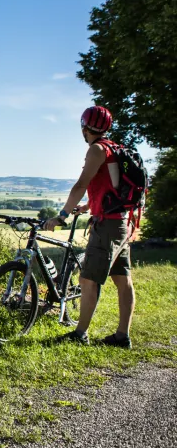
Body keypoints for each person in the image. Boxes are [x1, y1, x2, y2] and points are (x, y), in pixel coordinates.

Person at [43, 106, 134, 348]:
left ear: (85, 128)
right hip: (122, 223)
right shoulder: (116, 149)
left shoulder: (97, 150)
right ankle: (122, 336)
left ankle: (80, 333)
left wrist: (61, 216)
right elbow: (111, 188)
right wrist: (87, 207)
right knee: (123, 280)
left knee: (87, 280)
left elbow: (80, 185)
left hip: (106, 228)